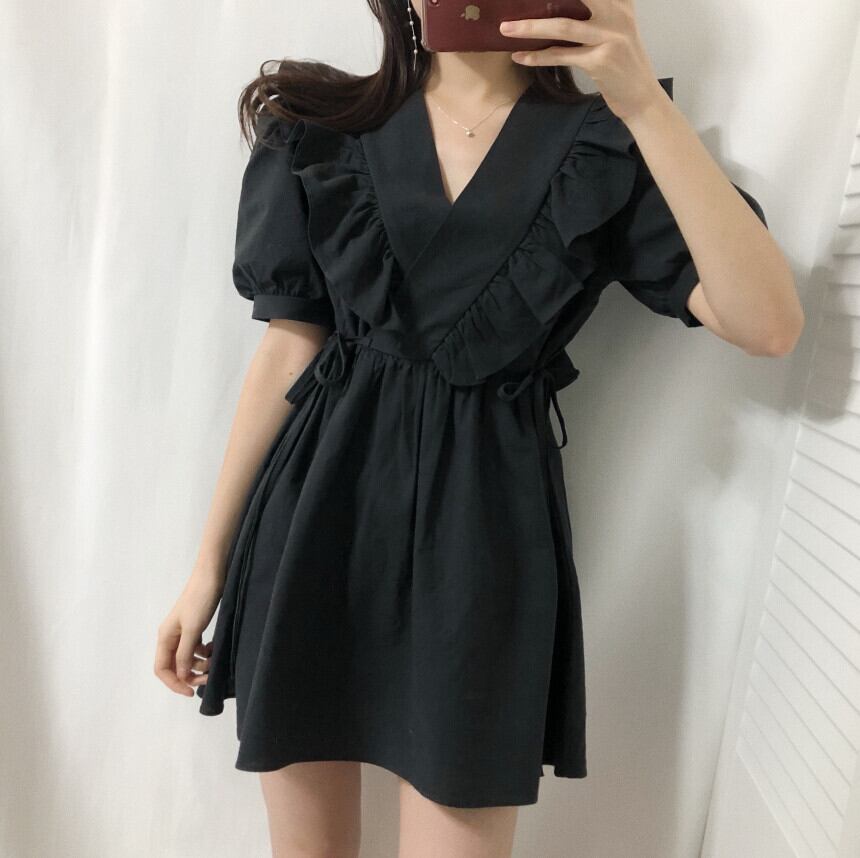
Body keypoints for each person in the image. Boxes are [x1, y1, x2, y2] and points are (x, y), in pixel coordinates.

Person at [155, 1, 802, 855]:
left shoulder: (603, 147)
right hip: (316, 522)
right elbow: (287, 350)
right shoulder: (319, 128)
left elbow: (768, 324)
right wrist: (208, 566)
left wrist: (643, 101)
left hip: (483, 546)